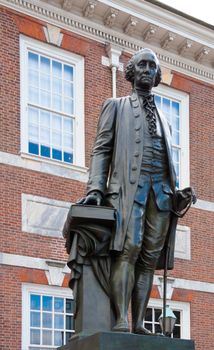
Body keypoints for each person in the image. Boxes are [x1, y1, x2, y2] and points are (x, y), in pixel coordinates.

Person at [82, 48, 177, 334]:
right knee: (128, 250)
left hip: (160, 195)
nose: (147, 70)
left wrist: (178, 193)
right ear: (132, 71)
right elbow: (101, 149)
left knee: (148, 259)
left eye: (152, 66)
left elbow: (167, 162)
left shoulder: (165, 118)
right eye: (142, 65)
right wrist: (96, 187)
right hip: (127, 190)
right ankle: (121, 318)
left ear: (157, 74)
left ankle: (138, 323)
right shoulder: (116, 105)